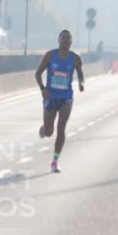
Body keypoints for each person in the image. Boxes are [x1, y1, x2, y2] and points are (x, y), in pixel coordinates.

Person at [35, 30, 84, 173]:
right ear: (58, 40)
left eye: (68, 38)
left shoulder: (76, 58)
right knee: (50, 132)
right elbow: (38, 74)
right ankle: (45, 128)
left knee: (61, 128)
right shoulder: (50, 55)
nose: (65, 39)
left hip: (66, 97)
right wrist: (42, 88)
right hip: (50, 96)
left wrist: (81, 84)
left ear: (71, 42)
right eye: (63, 37)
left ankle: (55, 161)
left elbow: (80, 73)